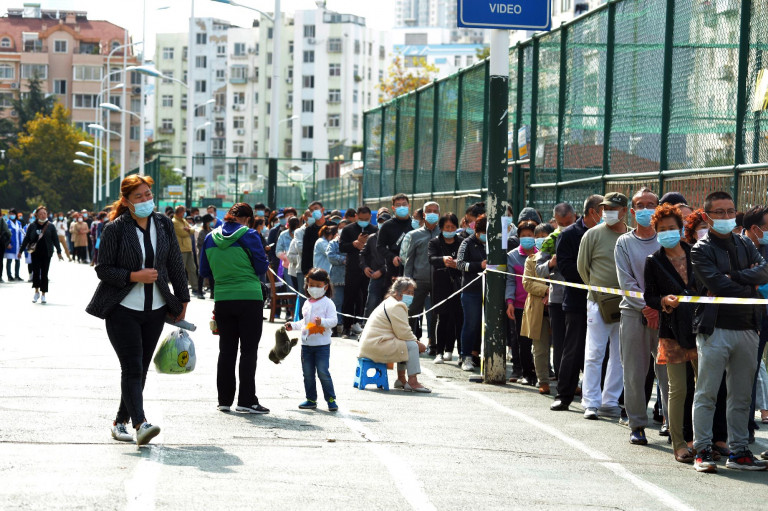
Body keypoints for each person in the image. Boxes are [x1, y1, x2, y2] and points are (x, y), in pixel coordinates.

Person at [86, 174, 190, 447]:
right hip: (122, 309)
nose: (145, 200)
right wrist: (134, 275)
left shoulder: (164, 224)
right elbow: (103, 269)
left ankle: (119, 421)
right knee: (132, 367)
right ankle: (140, 423)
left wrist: (182, 300)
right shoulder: (115, 229)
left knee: (141, 369)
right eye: (138, 196)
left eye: (147, 194)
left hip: (156, 309)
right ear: (126, 201)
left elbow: (175, 264)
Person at [690, 191, 768, 472]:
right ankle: (703, 450)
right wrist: (748, 285)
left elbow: (764, 271)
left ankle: (739, 452)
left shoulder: (746, 243)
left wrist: (733, 278)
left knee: (741, 394)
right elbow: (717, 286)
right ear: (707, 216)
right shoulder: (700, 249)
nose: (726, 216)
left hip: (747, 326)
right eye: (719, 212)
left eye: (730, 211)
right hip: (714, 329)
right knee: (707, 393)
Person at [199, 202, 270, 415]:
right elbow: (260, 266)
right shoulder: (249, 235)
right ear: (247, 219)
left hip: (222, 298)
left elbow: (204, 270)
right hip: (249, 297)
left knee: (226, 350)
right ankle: (247, 400)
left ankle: (224, 400)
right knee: (248, 351)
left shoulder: (211, 237)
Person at [644, 203, 698, 463]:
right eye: (662, 229)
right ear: (656, 231)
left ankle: (701, 440)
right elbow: (649, 296)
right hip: (672, 331)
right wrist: (663, 300)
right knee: (678, 389)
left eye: (672, 228)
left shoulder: (697, 253)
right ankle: (678, 443)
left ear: (680, 229)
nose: (667, 232)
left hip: (701, 328)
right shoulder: (653, 262)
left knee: (705, 387)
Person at [615, 188, 670, 445]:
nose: (646, 209)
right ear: (633, 211)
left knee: (670, 373)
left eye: (651, 204)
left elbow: (674, 278)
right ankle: (636, 425)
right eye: (641, 205)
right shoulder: (623, 243)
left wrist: (659, 307)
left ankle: (673, 425)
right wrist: (647, 307)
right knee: (635, 373)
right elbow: (627, 282)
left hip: (666, 315)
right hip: (633, 314)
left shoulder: (668, 240)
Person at [577, 192, 628, 421]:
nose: (607, 212)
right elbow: (582, 267)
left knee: (620, 354)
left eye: (613, 208)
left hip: (626, 304)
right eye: (605, 208)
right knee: (594, 352)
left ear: (624, 211)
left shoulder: (629, 236)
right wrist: (596, 292)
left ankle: (609, 400)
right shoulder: (592, 234)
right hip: (597, 303)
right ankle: (590, 402)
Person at [551, 195, 604, 412]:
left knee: (603, 351)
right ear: (592, 212)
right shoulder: (570, 235)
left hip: (605, 302)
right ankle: (564, 395)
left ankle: (603, 398)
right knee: (572, 348)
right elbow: (564, 266)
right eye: (604, 210)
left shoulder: (613, 233)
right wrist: (593, 276)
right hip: (576, 301)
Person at [358, 277, 430, 392]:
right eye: (408, 293)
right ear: (397, 292)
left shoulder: (390, 302)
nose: (411, 296)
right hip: (376, 346)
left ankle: (401, 379)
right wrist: (418, 343)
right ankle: (413, 381)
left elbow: (401, 334)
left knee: (404, 344)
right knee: (412, 345)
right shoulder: (396, 306)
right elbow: (404, 332)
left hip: (372, 345)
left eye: (412, 293)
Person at [286, 267, 339, 410]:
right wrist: (292, 325)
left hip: (322, 346)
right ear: (307, 285)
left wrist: (322, 322)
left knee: (323, 372)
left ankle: (331, 399)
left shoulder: (328, 303)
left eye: (318, 285)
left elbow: (334, 321)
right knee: (308, 374)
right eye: (311, 285)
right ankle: (311, 399)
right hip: (306, 346)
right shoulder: (307, 303)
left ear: (325, 286)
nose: (314, 288)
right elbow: (304, 322)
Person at [536, 202, 577, 379]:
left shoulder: (584, 235)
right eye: (562, 224)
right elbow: (539, 269)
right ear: (555, 221)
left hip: (579, 298)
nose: (566, 227)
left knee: (577, 343)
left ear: (575, 217)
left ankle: (576, 379)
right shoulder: (550, 241)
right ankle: (562, 379)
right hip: (557, 299)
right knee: (559, 342)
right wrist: (551, 264)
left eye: (569, 222)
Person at [743, 205, 768, 445]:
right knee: (747, 374)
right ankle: (745, 427)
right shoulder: (736, 247)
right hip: (748, 319)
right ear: (755, 228)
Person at [521, 222, 554, 394]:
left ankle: (567, 381)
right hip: (539, 310)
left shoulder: (560, 257)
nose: (542, 240)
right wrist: (547, 290)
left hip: (559, 308)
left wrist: (554, 293)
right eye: (538, 237)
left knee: (564, 348)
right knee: (540, 348)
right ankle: (543, 380)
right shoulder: (531, 260)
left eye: (545, 237)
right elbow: (527, 283)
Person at [506, 220, 539, 385]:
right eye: (523, 236)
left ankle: (541, 372)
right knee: (522, 341)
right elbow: (510, 281)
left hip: (538, 304)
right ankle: (525, 372)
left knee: (539, 341)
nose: (527, 238)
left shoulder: (541, 255)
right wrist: (510, 301)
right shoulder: (512, 256)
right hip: (519, 305)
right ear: (518, 237)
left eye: (530, 235)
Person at [404, 201, 441, 351]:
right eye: (429, 211)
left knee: (434, 313)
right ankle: (410, 341)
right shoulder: (414, 235)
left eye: (435, 211)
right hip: (418, 281)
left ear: (439, 214)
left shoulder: (443, 234)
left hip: (438, 281)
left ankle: (433, 342)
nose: (432, 213)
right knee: (412, 312)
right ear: (423, 214)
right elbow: (409, 260)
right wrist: (407, 282)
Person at [428, 213, 463, 363]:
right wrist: (443, 260)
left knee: (457, 318)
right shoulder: (435, 242)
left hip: (459, 284)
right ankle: (439, 352)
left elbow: (466, 259)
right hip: (441, 284)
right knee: (442, 318)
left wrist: (457, 263)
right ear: (441, 228)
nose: (450, 229)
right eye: (447, 227)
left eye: (453, 227)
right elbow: (431, 259)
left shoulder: (462, 242)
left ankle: (452, 350)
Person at [340, 206, 379, 337]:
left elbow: (378, 249)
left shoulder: (374, 230)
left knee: (367, 298)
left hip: (369, 269)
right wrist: (354, 244)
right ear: (356, 216)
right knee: (349, 297)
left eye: (366, 219)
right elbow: (341, 247)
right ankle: (347, 326)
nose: (364, 221)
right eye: (361, 219)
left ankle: (363, 324)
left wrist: (366, 246)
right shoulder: (347, 229)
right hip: (352, 268)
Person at [457, 215, 487, 371]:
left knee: (486, 326)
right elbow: (460, 264)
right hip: (471, 290)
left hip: (490, 291)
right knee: (471, 324)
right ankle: (466, 356)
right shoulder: (467, 243)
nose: (484, 236)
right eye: (482, 232)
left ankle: (484, 355)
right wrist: (478, 265)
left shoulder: (495, 243)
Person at [19, 206, 63, 303]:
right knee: (36, 273)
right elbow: (26, 239)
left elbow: (55, 239)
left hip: (47, 253)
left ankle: (43, 294)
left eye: (45, 213)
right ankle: (36, 292)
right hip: (35, 253)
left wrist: (59, 252)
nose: (43, 215)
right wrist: (21, 251)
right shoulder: (32, 225)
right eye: (41, 213)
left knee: (44, 273)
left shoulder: (50, 226)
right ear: (37, 215)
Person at [377, 193, 413, 282]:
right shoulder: (387, 225)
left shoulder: (415, 224)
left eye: (404, 204)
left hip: (413, 267)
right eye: (398, 205)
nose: (402, 207)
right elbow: (380, 246)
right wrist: (392, 257)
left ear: (409, 206)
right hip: (394, 268)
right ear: (393, 208)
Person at [362, 217, 390, 319]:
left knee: (388, 306)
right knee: (371, 304)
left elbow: (397, 258)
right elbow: (363, 254)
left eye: (385, 222)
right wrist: (365, 267)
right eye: (380, 222)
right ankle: (366, 328)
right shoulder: (372, 238)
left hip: (390, 276)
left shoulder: (393, 238)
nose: (382, 224)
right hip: (375, 276)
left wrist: (382, 271)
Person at [172, 206, 200, 298]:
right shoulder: (174, 222)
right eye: (183, 212)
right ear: (179, 212)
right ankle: (180, 287)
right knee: (181, 269)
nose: (184, 214)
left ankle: (195, 287)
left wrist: (188, 229)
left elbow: (192, 230)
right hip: (181, 249)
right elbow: (182, 233)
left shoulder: (183, 220)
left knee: (192, 268)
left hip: (188, 248)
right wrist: (188, 230)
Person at [326, 220, 348, 333]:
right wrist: (344, 259)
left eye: (346, 227)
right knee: (336, 301)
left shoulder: (353, 243)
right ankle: (335, 325)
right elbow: (330, 256)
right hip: (337, 278)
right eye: (341, 227)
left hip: (351, 277)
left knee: (348, 302)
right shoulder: (333, 243)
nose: (343, 229)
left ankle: (346, 325)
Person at [197, 214, 215, 299]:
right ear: (207, 222)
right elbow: (200, 244)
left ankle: (212, 292)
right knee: (201, 273)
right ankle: (199, 292)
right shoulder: (202, 232)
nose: (212, 222)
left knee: (212, 274)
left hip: (211, 255)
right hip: (203, 255)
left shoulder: (212, 231)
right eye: (210, 221)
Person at [5, 208, 24, 280]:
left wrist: (21, 244)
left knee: (17, 260)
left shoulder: (19, 223)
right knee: (9, 260)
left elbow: (21, 234)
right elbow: (5, 235)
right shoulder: (7, 223)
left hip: (17, 245)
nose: (11, 215)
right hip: (10, 245)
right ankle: (9, 276)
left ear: (16, 215)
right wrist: (7, 244)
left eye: (13, 214)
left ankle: (17, 275)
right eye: (10, 214)